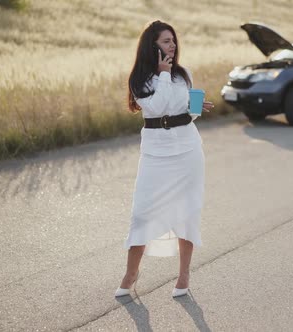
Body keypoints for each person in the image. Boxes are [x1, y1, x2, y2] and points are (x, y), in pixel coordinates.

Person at [115, 20, 214, 298]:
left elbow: (186, 112)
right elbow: (156, 107)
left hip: (188, 149)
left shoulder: (184, 74)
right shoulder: (140, 79)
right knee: (142, 212)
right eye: (166, 41)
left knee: (188, 211)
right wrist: (162, 74)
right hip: (156, 154)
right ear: (152, 45)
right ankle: (131, 273)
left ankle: (184, 276)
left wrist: (195, 108)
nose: (173, 45)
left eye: (173, 40)